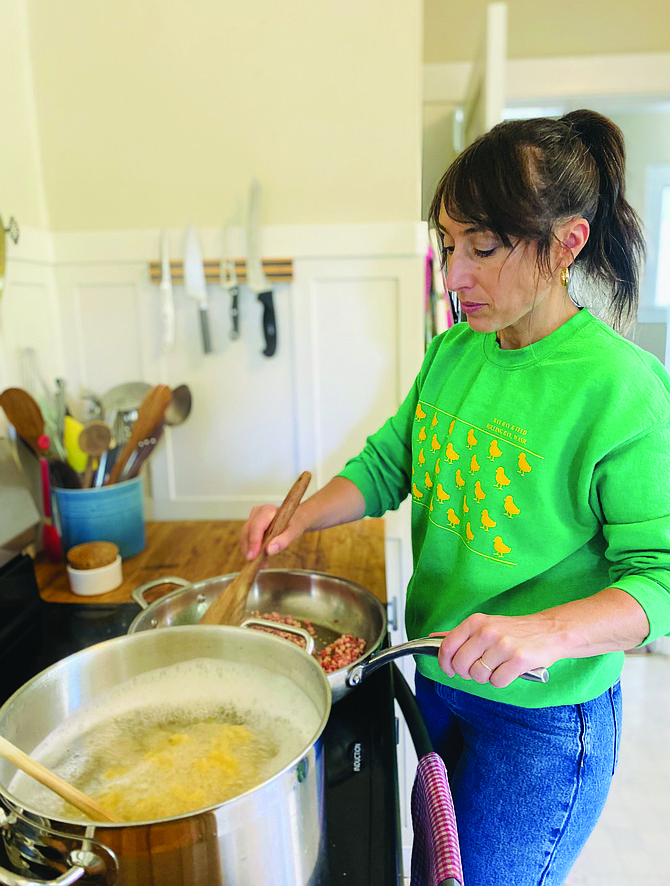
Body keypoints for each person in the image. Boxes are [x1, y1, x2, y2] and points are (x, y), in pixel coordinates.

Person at [240, 110, 670, 886]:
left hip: (540, 721)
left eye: (484, 246)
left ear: (566, 243)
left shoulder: (623, 390)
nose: (454, 274)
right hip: (441, 679)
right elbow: (387, 464)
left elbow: (662, 576)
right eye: (447, 243)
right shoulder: (452, 352)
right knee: (437, 868)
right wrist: (301, 515)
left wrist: (543, 633)